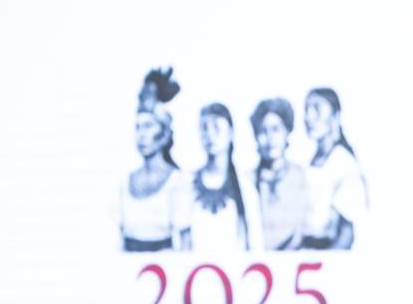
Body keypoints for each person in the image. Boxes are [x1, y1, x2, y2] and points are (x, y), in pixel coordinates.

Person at [118, 68, 190, 251]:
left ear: (164, 134)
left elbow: (185, 243)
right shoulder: (125, 181)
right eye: (138, 127)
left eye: (148, 126)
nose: (142, 135)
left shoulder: (177, 181)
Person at [185, 103, 262, 251]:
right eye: (204, 128)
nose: (210, 134)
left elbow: (255, 244)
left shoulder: (245, 188)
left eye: (216, 127)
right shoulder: (187, 184)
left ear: (230, 133)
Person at [301, 87, 368, 250]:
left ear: (335, 115)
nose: (309, 117)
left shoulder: (344, 164)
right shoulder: (311, 162)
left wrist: (326, 262)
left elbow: (346, 234)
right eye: (307, 110)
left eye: (317, 109)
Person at [249, 97, 309, 250]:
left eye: (276, 129)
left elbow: (303, 228)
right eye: (263, 131)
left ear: (287, 132)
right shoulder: (247, 181)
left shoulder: (301, 177)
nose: (270, 138)